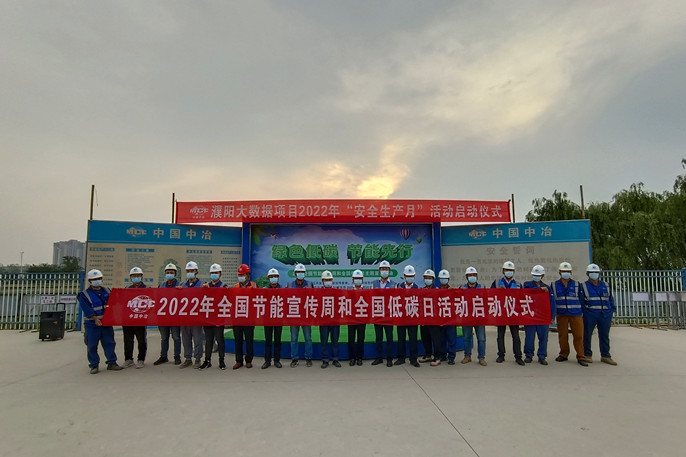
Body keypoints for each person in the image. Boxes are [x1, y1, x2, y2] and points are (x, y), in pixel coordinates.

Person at [77, 269, 122, 374]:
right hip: (92, 324)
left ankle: (112, 363)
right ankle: (94, 365)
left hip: (106, 323)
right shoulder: (84, 294)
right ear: (90, 281)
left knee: (109, 343)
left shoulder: (107, 291)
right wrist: (95, 319)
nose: (97, 280)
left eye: (98, 278)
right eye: (94, 279)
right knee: (92, 345)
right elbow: (86, 308)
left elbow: (114, 303)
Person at [580, 263, 617, 365]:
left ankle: (605, 356)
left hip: (605, 314)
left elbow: (610, 299)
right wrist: (585, 313)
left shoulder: (605, 285)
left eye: (596, 272)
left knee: (604, 335)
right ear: (587, 273)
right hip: (590, 314)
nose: (594, 274)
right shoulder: (583, 286)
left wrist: (612, 311)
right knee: (587, 335)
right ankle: (587, 354)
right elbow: (581, 302)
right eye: (592, 272)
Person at [552, 262, 588, 366]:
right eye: (563, 271)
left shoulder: (577, 284)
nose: (566, 273)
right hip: (561, 314)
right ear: (559, 272)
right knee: (562, 335)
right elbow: (552, 300)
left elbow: (581, 299)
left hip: (576, 314)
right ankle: (563, 354)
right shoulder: (554, 285)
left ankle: (581, 356)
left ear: (571, 272)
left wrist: (582, 313)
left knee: (578, 336)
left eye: (567, 271)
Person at [491, 261, 524, 366]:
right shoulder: (497, 283)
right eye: (507, 270)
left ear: (513, 271)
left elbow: (522, 299)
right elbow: (490, 296)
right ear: (503, 271)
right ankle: (501, 355)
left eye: (510, 270)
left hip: (513, 313)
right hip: (501, 313)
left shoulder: (518, 285)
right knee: (500, 335)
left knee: (516, 336)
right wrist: (498, 292)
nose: (508, 272)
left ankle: (518, 356)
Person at [522, 265, 554, 365]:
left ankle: (542, 356)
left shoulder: (547, 288)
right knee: (529, 337)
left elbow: (552, 302)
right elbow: (525, 293)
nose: (536, 277)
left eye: (538, 275)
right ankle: (529, 355)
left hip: (543, 316)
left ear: (542, 275)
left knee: (543, 337)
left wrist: (552, 316)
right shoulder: (527, 285)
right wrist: (539, 289)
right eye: (535, 275)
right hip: (530, 316)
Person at [199, 264, 226, 370]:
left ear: (220, 274)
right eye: (212, 273)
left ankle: (221, 360)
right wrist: (203, 289)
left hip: (218, 318)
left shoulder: (224, 286)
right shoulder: (206, 286)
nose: (214, 274)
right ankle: (207, 360)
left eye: (216, 273)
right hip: (208, 317)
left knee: (220, 340)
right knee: (208, 340)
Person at [154, 263, 182, 366]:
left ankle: (177, 356)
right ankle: (163, 356)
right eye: (167, 272)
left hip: (175, 317)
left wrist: (181, 291)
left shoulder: (180, 285)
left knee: (176, 337)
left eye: (171, 272)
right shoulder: (161, 286)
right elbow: (157, 300)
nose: (169, 274)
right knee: (164, 338)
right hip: (163, 317)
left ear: (175, 274)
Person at [179, 261, 204, 369]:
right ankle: (188, 358)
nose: (190, 272)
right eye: (188, 271)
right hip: (185, 317)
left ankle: (198, 359)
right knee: (186, 339)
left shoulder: (202, 284)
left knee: (197, 339)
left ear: (196, 271)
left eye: (192, 271)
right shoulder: (182, 285)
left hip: (197, 318)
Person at [394, 265, 420, 367]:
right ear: (404, 275)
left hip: (412, 317)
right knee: (401, 338)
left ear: (414, 276)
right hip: (401, 317)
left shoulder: (417, 288)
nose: (410, 277)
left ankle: (413, 359)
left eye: (411, 276)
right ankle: (401, 358)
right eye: (408, 276)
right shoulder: (399, 286)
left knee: (413, 339)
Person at [122, 267, 148, 369]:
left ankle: (141, 359)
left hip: (140, 319)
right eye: (133, 276)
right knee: (128, 340)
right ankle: (128, 359)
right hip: (128, 319)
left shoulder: (147, 289)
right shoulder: (127, 289)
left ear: (141, 277)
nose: (136, 278)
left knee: (141, 340)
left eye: (138, 276)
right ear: (130, 277)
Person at [461, 267, 487, 366]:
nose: (472, 277)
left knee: (481, 338)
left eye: (474, 275)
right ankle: (467, 356)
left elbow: (486, 301)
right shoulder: (462, 287)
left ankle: (481, 357)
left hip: (479, 317)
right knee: (466, 337)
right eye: (470, 275)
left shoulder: (482, 287)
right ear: (466, 277)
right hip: (467, 317)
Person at [289, 263, 313, 367]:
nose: (300, 273)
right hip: (294, 315)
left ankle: (308, 358)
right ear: (295, 273)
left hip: (306, 316)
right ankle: (294, 358)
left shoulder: (310, 284)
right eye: (298, 272)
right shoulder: (290, 285)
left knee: (308, 338)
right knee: (294, 339)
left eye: (302, 272)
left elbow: (314, 298)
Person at [233, 263, 257, 369]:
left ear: (247, 275)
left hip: (249, 318)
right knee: (238, 340)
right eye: (239, 275)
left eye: (242, 274)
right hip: (238, 317)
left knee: (249, 340)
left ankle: (248, 360)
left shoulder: (254, 285)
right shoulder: (236, 286)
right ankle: (238, 360)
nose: (241, 276)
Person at [371, 262, 394, 367]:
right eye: (382, 269)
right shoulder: (374, 283)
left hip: (389, 316)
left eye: (386, 269)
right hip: (378, 315)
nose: (384, 271)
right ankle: (379, 358)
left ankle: (389, 359)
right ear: (379, 271)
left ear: (389, 271)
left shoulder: (393, 284)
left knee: (389, 338)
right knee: (378, 338)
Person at [419, 269, 441, 366]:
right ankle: (428, 355)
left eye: (429, 278)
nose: (427, 280)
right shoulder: (422, 290)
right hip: (424, 319)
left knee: (435, 339)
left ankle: (437, 357)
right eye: (426, 278)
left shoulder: (437, 290)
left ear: (433, 279)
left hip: (434, 319)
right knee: (425, 338)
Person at [262, 268, 283, 369]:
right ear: (268, 278)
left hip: (278, 318)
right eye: (271, 277)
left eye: (275, 276)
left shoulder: (283, 290)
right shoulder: (264, 289)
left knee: (277, 340)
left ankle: (277, 360)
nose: (273, 278)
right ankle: (267, 361)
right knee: (268, 340)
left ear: (278, 278)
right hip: (267, 318)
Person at [319, 270, 341, 368]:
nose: (328, 281)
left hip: (335, 320)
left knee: (335, 340)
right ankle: (325, 360)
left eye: (330, 280)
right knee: (324, 341)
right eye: (326, 280)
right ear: (322, 281)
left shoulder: (337, 291)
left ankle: (335, 359)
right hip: (323, 320)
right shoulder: (318, 292)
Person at [437, 269, 457, 365]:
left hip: (450, 319)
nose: (443, 280)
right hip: (440, 318)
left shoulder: (452, 290)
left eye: (445, 278)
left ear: (448, 279)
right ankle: (443, 355)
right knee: (441, 338)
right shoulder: (435, 291)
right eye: (442, 278)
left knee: (451, 338)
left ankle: (451, 357)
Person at [348, 269, 366, 367]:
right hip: (351, 319)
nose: (358, 280)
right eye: (356, 278)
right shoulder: (349, 291)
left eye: (359, 278)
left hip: (362, 318)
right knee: (351, 339)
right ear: (352, 279)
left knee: (360, 338)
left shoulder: (366, 291)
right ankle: (352, 358)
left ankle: (359, 358)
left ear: (362, 279)